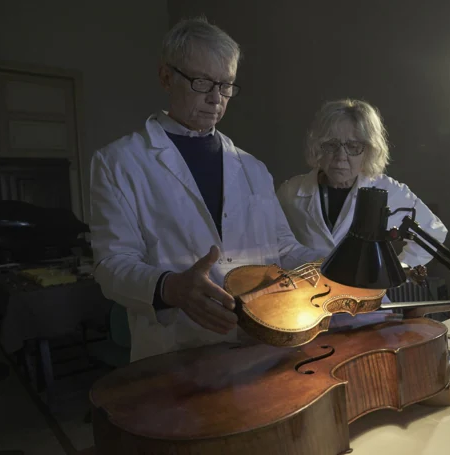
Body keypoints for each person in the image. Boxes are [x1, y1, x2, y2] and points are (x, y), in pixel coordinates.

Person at [89, 16, 325, 362]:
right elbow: (112, 265)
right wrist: (170, 288)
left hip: (262, 341)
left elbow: (283, 247)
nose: (217, 98)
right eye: (202, 83)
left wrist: (333, 264)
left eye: (226, 85)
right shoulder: (119, 162)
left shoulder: (253, 168)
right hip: (176, 350)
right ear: (166, 77)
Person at [277, 99, 448, 271]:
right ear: (319, 148)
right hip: (307, 293)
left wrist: (396, 269)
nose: (341, 156)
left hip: (367, 295)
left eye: (353, 146)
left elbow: (434, 232)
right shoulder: (290, 192)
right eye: (331, 145)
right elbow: (274, 242)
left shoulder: (387, 190)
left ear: (369, 150)